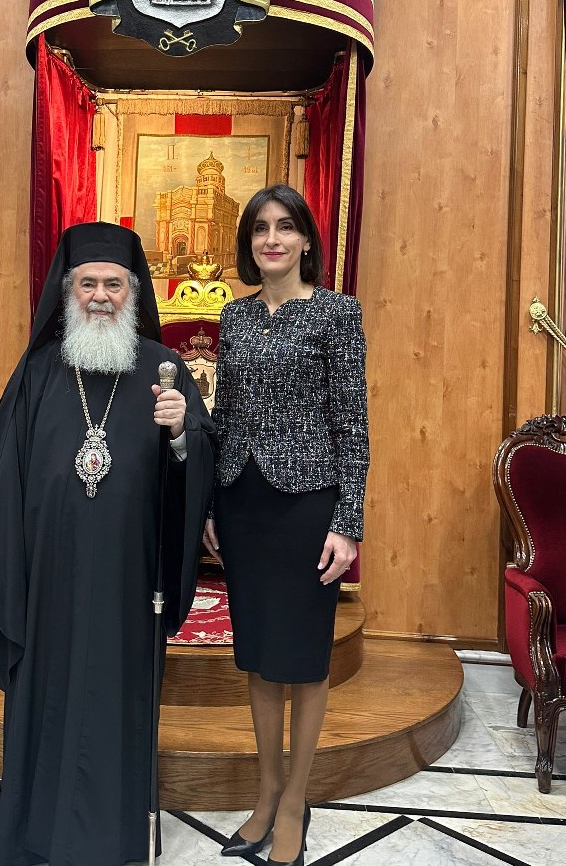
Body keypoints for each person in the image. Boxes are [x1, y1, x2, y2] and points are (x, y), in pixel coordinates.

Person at [0, 222, 216, 866]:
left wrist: (182, 435)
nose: (100, 296)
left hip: (130, 579)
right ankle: (33, 839)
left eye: (113, 284)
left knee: (114, 700)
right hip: (48, 578)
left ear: (133, 291)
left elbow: (197, 466)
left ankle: (113, 844)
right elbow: (0, 465)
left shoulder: (163, 366)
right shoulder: (40, 372)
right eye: (87, 283)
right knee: (46, 699)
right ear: (66, 290)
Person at [203, 185, 369, 866]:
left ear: (306, 240)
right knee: (260, 657)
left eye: (285, 227)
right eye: (260, 229)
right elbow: (228, 415)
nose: (272, 239)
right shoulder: (234, 316)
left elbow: (352, 423)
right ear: (249, 243)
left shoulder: (337, 312)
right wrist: (212, 501)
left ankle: (296, 798)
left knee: (302, 659)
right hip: (242, 500)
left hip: (308, 504)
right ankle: (266, 793)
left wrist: (348, 521)